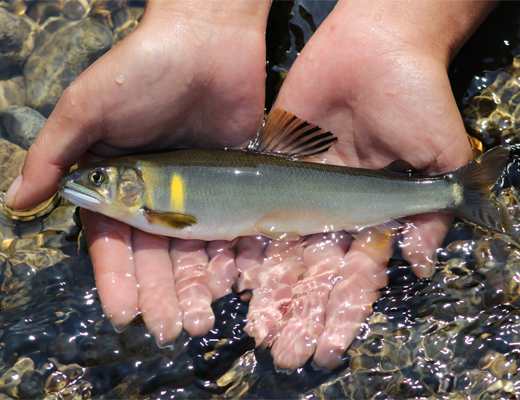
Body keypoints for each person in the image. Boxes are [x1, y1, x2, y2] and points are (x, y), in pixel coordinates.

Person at [5, 0, 496, 370]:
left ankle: (456, 191)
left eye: (98, 180)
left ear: (132, 185)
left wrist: (408, 32)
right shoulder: (153, 198)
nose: (81, 184)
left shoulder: (157, 209)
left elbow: (180, 222)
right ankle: (453, 190)